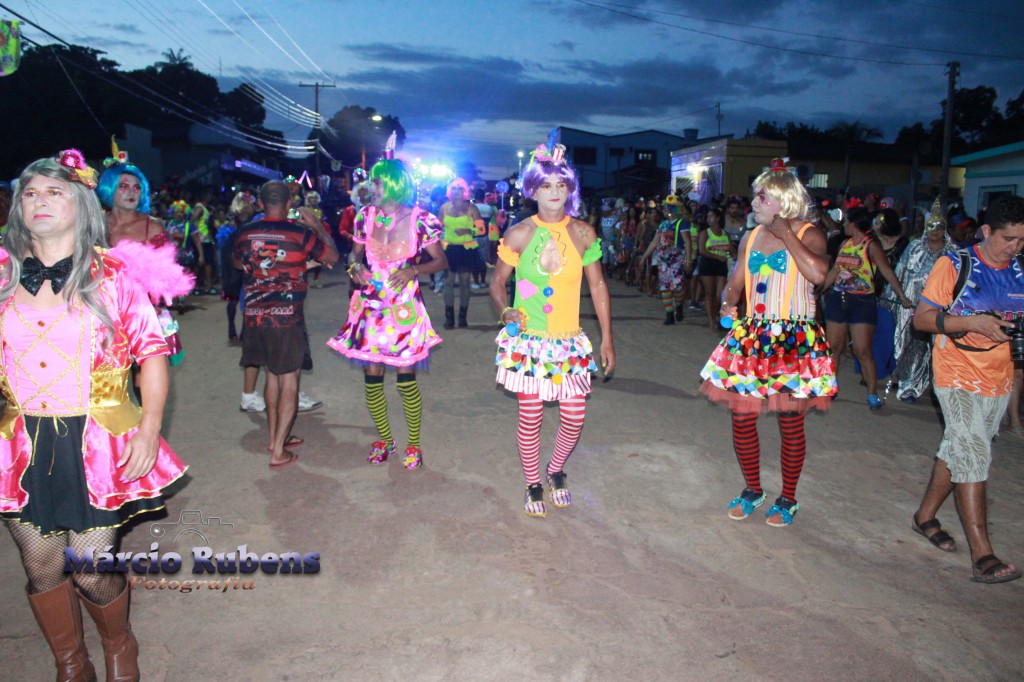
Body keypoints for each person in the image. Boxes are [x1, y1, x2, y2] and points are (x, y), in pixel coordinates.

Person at [1, 151, 190, 680]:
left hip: (96, 439)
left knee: (88, 568)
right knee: (41, 565)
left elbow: (152, 354)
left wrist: (149, 429)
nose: (39, 200)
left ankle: (118, 643)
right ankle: (70, 661)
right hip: (19, 442)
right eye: (30, 193)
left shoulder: (115, 274)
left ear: (81, 204)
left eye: (54, 191)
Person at [699, 158, 836, 527]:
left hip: (793, 341)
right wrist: (728, 302)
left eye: (762, 196)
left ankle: (788, 498)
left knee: (790, 421)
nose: (753, 202)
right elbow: (735, 283)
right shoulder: (750, 236)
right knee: (742, 418)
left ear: (783, 201)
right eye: (755, 195)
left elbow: (819, 274)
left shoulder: (809, 233)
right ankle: (752, 490)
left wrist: (787, 234)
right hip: (753, 337)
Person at [488, 141, 615, 517]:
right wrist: (506, 311)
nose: (554, 192)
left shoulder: (583, 233)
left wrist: (607, 338)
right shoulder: (519, 233)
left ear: (570, 189)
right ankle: (532, 482)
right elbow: (497, 282)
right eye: (546, 185)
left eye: (561, 185)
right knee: (531, 417)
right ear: (533, 190)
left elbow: (598, 286)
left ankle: (555, 469)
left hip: (568, 342)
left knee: (574, 416)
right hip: (529, 343)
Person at [911, 194, 1024, 584]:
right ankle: (982, 555)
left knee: (959, 448)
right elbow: (922, 320)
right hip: (956, 372)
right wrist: (973, 323)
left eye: (1022, 240)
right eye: (1009, 239)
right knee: (974, 455)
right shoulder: (955, 264)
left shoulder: (1020, 270)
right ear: (986, 231)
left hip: (999, 377)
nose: (1015, 247)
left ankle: (924, 516)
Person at [327, 153, 447, 469]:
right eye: (372, 183)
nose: (372, 188)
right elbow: (352, 256)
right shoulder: (364, 217)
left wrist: (413, 270)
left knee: (406, 379)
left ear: (394, 185)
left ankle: (413, 444)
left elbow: (441, 261)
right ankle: (385, 439)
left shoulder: (421, 219)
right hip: (370, 307)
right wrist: (354, 267)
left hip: (404, 309)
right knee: (372, 377)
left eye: (378, 183)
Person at [233, 180, 338, 469]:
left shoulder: (245, 232)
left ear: (260, 203)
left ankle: (274, 439)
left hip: (255, 315)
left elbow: (240, 264)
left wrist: (282, 267)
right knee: (289, 380)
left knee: (271, 376)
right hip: (286, 316)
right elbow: (332, 256)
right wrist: (317, 227)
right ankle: (278, 451)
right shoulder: (300, 233)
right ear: (289, 203)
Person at [98, 155, 187, 371]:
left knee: (147, 374)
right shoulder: (95, 225)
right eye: (124, 186)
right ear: (110, 188)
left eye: (137, 187)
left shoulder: (153, 226)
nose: (131, 192)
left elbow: (168, 273)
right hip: (104, 310)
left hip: (143, 310)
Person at [821, 206, 913, 410]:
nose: (844, 224)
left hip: (862, 301)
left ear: (854, 223)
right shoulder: (845, 244)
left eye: (847, 221)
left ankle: (872, 393)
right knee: (834, 347)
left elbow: (887, 271)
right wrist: (819, 290)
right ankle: (830, 387)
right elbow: (835, 271)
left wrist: (902, 296)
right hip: (839, 298)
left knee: (862, 350)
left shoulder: (871, 246)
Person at [882, 198, 952, 403]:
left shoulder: (953, 253)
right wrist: (897, 297)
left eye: (939, 227)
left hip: (940, 310)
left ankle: (936, 390)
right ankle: (907, 386)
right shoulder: (914, 247)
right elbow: (900, 272)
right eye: (931, 226)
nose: (935, 231)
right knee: (910, 346)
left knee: (936, 350)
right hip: (912, 306)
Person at [439, 178, 484, 329]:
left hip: (466, 249)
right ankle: (449, 317)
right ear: (450, 191)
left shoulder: (472, 208)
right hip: (449, 249)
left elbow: (482, 230)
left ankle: (462, 317)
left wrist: (467, 230)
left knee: (465, 283)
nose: (456, 191)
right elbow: (436, 228)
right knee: (448, 283)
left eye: (460, 189)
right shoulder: (444, 208)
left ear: (465, 191)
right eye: (454, 188)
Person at [642, 196, 691, 324]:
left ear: (673, 209)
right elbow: (655, 242)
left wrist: (688, 260)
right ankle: (669, 314)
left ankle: (679, 306)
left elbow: (687, 242)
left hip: (677, 259)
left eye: (666, 207)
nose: (664, 209)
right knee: (665, 287)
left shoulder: (682, 223)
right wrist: (644, 257)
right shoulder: (663, 224)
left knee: (678, 287)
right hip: (663, 260)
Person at [697, 207, 735, 330]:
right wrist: (718, 257)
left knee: (720, 295)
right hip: (708, 263)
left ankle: (713, 315)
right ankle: (711, 320)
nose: (709, 219)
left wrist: (731, 252)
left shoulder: (725, 234)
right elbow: (702, 250)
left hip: (721, 265)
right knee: (709, 293)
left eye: (711, 216)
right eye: (708, 217)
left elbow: (731, 249)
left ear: (718, 218)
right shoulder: (705, 233)